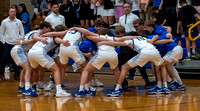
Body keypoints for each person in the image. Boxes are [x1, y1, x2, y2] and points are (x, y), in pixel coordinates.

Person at [99, 35, 163, 97]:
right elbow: (157, 36)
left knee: (124, 67)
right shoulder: (144, 38)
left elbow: (116, 43)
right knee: (160, 67)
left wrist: (103, 42)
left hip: (144, 52)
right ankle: (160, 86)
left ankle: (117, 89)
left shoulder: (130, 40)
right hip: (155, 52)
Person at [27, 27, 71, 97]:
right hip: (39, 52)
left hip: (31, 52)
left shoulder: (47, 35)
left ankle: (30, 88)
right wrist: (63, 42)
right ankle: (59, 91)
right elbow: (59, 39)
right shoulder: (56, 37)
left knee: (35, 70)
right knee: (56, 69)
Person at [11, 21, 51, 96]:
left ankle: (21, 86)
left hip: (21, 50)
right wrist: (40, 39)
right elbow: (35, 37)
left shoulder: (34, 31)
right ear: (45, 28)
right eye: (49, 28)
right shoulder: (37, 33)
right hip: (18, 50)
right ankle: (27, 89)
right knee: (28, 69)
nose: (50, 30)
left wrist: (23, 41)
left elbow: (31, 40)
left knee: (25, 69)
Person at [0, 7, 24, 81]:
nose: (13, 13)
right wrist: (4, 42)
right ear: (9, 13)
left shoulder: (19, 21)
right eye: (11, 11)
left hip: (16, 43)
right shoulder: (4, 22)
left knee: (16, 58)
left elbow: (22, 32)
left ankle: (16, 75)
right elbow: (1, 33)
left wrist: (20, 40)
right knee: (6, 57)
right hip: (7, 43)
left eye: (14, 11)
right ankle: (1, 73)